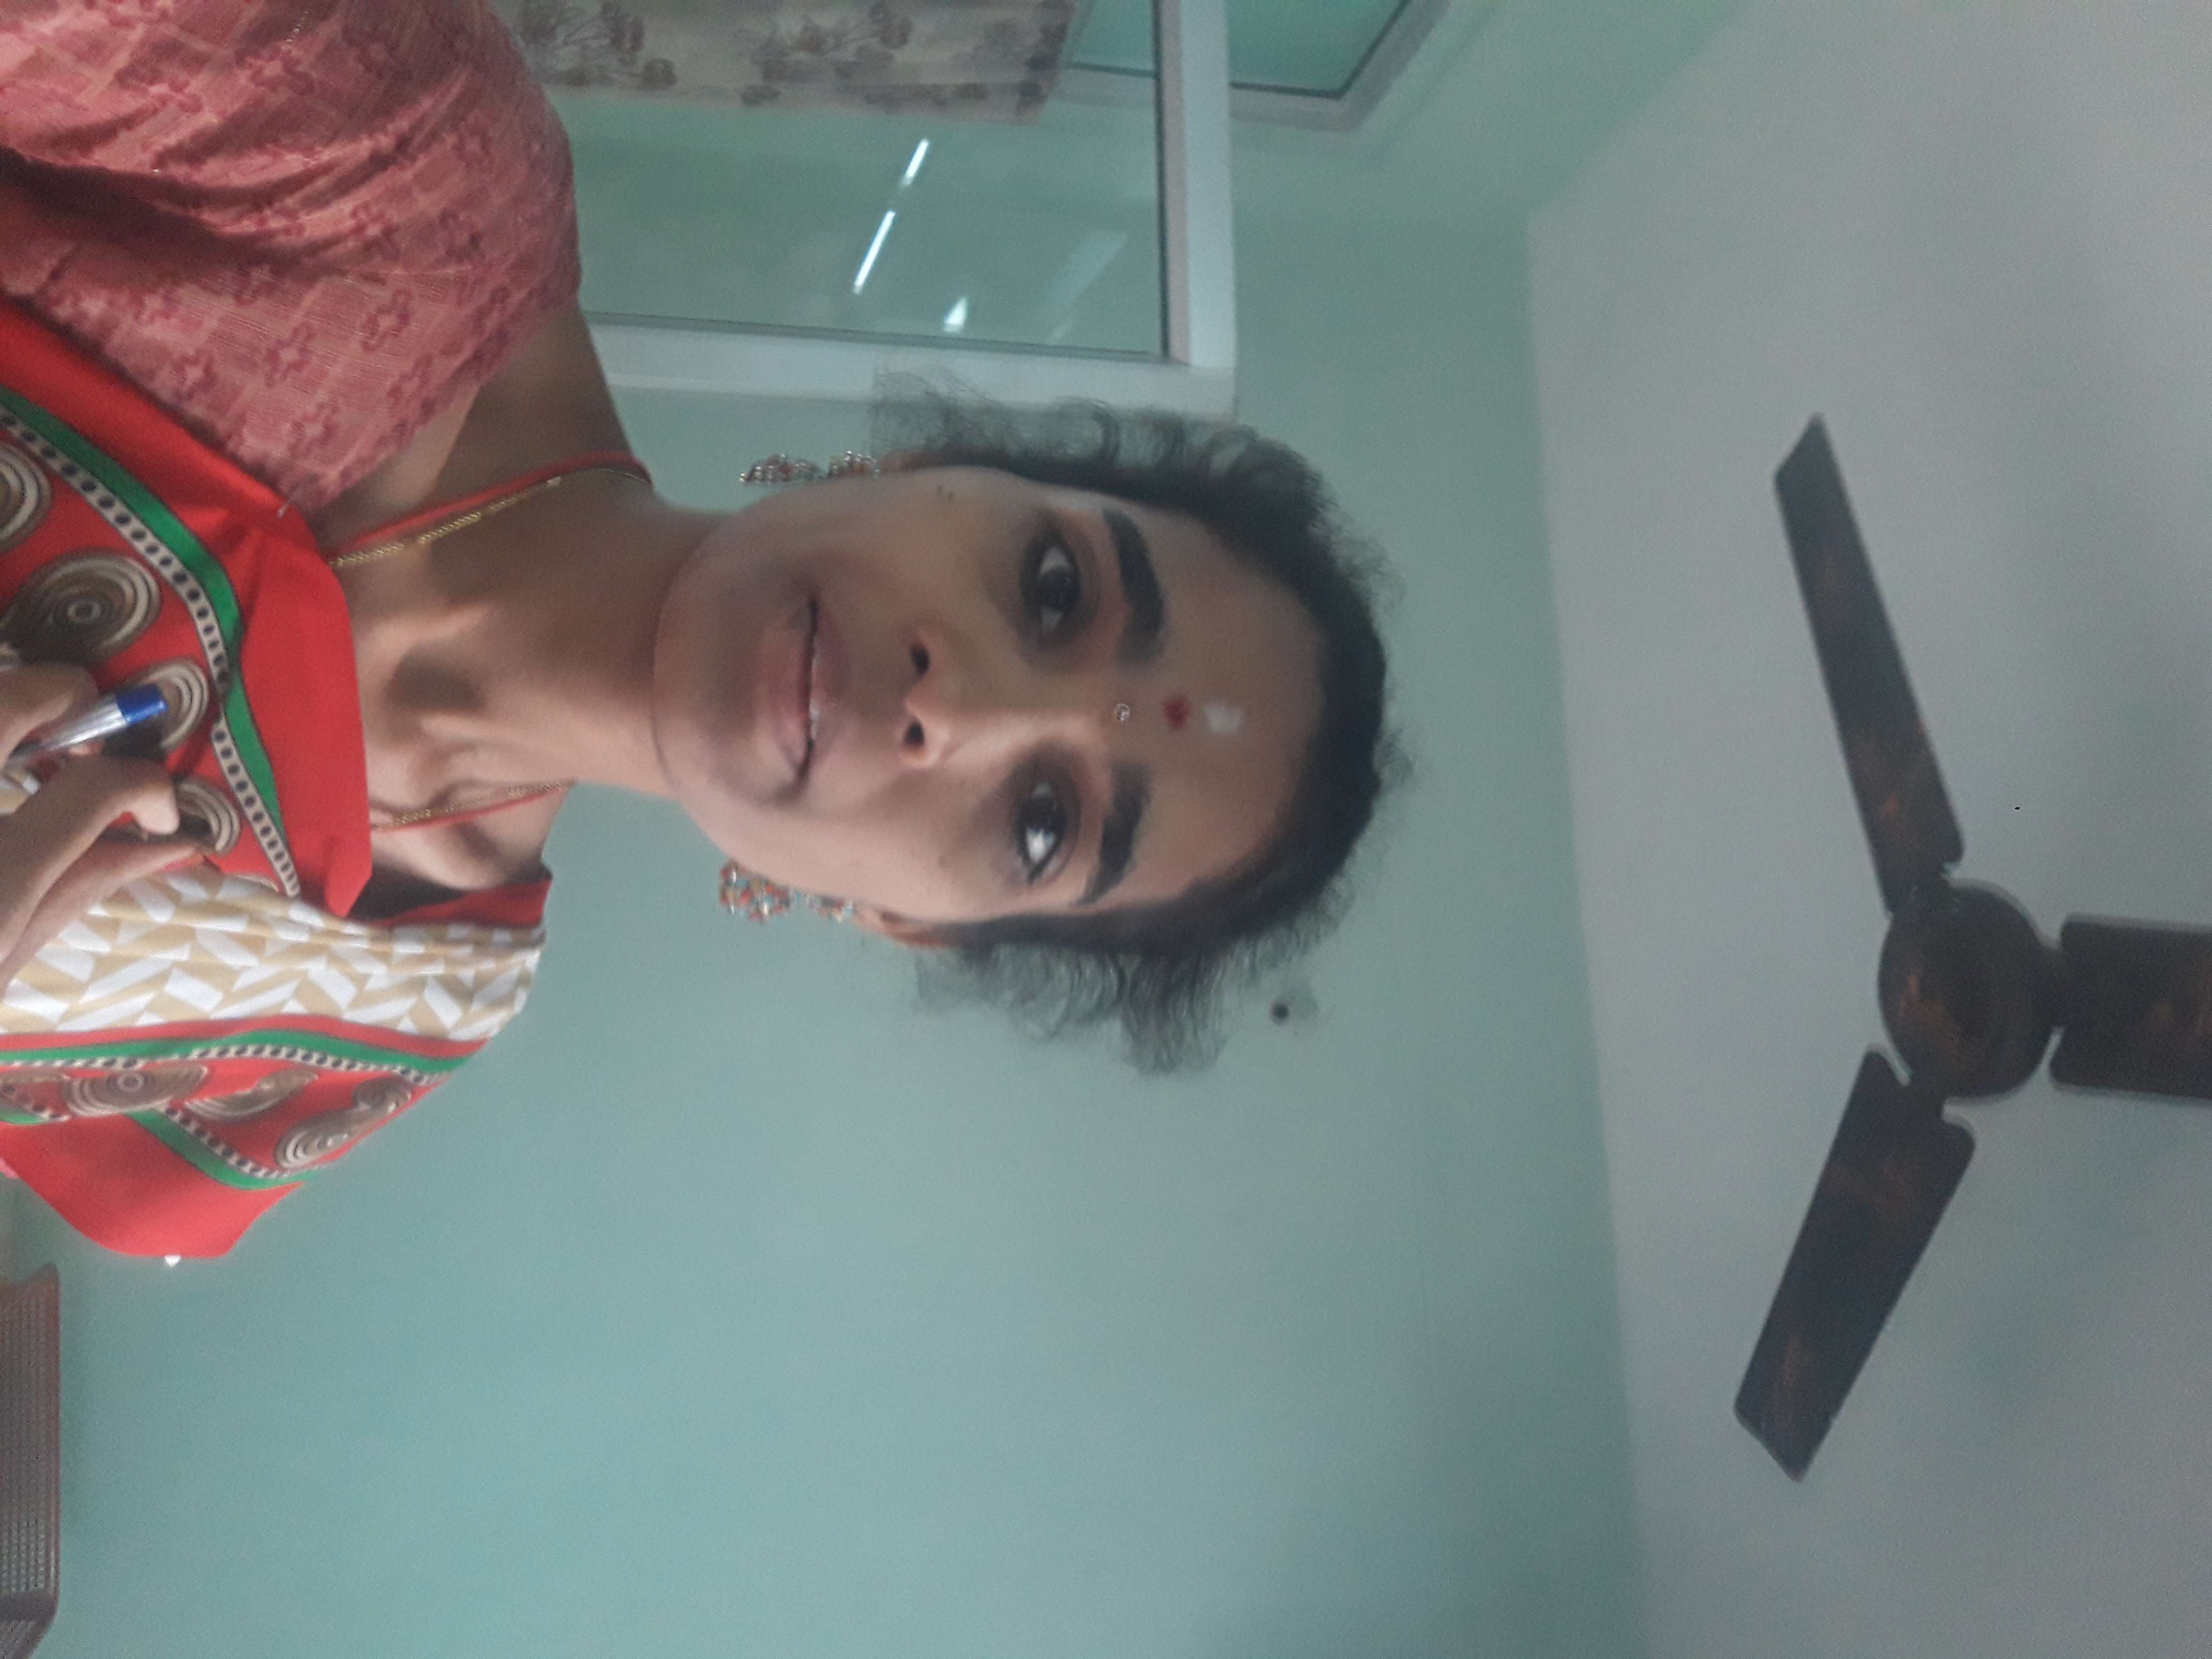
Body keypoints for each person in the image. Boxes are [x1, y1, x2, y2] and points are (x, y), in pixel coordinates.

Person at [0, 0, 1394, 1259]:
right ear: (931, 469)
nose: (958, 712)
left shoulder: (367, 1021)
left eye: (1043, 824)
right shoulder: (402, 175)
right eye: (1054, 590)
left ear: (911, 922)